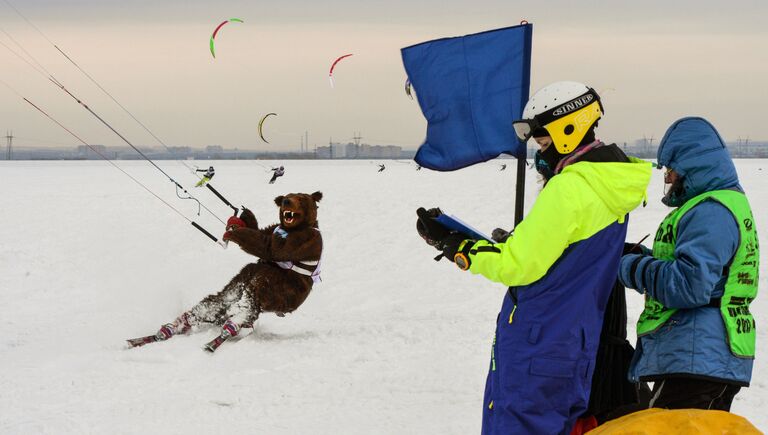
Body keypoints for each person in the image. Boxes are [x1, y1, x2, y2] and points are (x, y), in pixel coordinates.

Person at [416, 81, 651, 434]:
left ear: (566, 131)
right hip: (572, 341)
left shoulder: (570, 186)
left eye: (543, 143)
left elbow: (518, 265)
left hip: (540, 340)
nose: (541, 153)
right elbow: (570, 256)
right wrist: (519, 241)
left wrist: (459, 248)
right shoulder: (609, 184)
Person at [618, 117, 759, 411]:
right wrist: (642, 256)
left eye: (671, 170)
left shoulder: (711, 210)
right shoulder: (718, 205)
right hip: (706, 357)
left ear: (693, 166)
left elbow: (688, 286)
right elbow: (699, 270)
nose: (668, 180)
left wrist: (630, 268)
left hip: (699, 357)